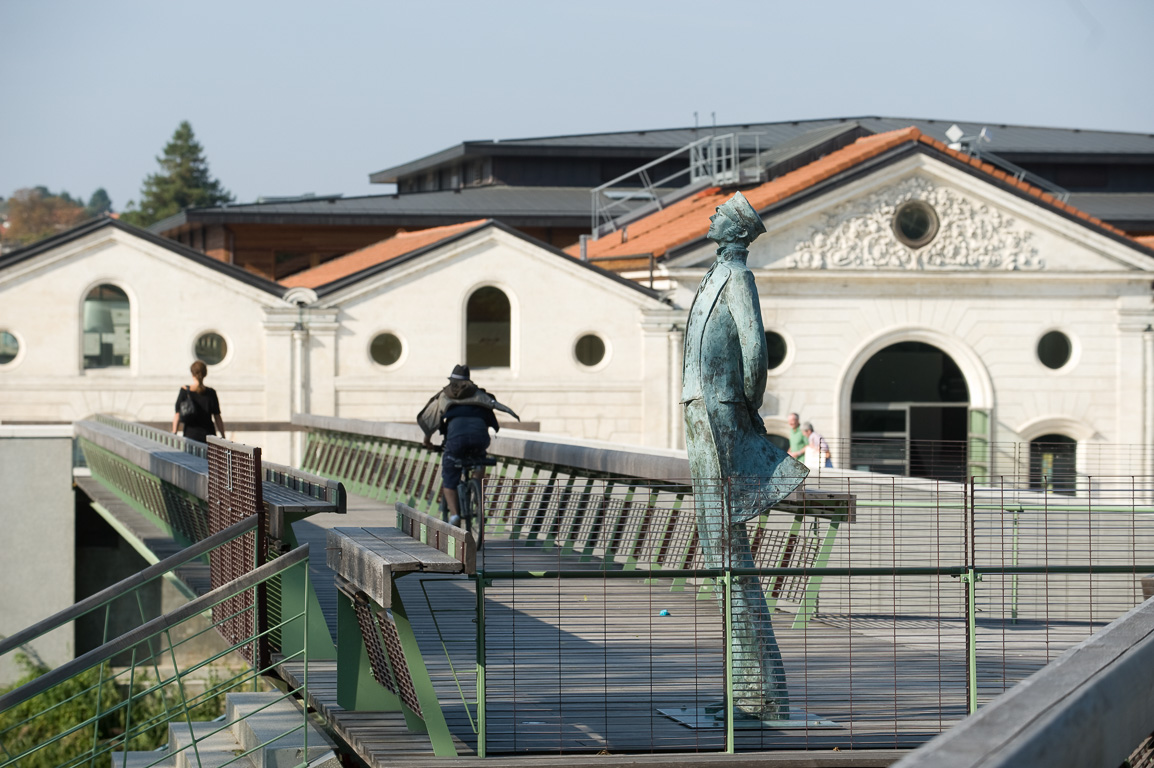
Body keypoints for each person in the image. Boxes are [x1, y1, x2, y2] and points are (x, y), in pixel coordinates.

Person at [681, 190, 808, 719]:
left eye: (720, 212)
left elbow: (755, 347)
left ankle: (759, 692)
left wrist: (743, 408)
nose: (710, 216)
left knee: (729, 558)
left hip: (720, 415)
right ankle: (747, 687)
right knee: (720, 558)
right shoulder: (716, 273)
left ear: (734, 228)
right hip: (700, 414)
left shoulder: (737, 277)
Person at [417, 364, 518, 522]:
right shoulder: (480, 394)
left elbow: (430, 421)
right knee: (479, 460)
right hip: (480, 438)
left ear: (451, 380)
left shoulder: (444, 395)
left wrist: (427, 442)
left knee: (449, 477)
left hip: (456, 440)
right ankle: (477, 492)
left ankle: (455, 515)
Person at [172, 360, 226, 443]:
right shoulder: (211, 392)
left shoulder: (185, 391)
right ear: (205, 374)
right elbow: (217, 416)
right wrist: (223, 436)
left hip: (190, 436)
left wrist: (174, 432)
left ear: (192, 374)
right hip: (209, 436)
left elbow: (177, 414)